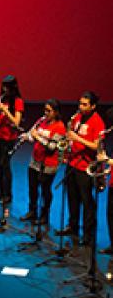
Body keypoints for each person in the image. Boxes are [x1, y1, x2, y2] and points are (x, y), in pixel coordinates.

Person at [56, 91, 105, 246]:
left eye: (85, 104)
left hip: (86, 166)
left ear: (93, 106)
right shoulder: (77, 118)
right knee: (72, 198)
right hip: (72, 163)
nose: (81, 107)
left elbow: (96, 146)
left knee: (87, 201)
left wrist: (77, 138)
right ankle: (73, 226)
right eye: (80, 103)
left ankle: (88, 235)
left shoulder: (98, 122)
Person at [18, 99, 65, 224]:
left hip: (49, 164)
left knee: (45, 190)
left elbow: (52, 147)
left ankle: (44, 216)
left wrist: (37, 136)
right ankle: (32, 212)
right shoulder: (41, 121)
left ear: (56, 112)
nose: (46, 113)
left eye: (49, 111)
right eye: (45, 110)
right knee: (32, 188)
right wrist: (26, 136)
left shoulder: (60, 127)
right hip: (35, 160)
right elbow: (32, 136)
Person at [0, 75, 24, 206]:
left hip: (8, 138)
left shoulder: (18, 101)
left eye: (7, 87)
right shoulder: (2, 98)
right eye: (3, 86)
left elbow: (16, 121)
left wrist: (5, 110)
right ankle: (1, 192)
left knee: (5, 165)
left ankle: (8, 195)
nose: (4, 89)